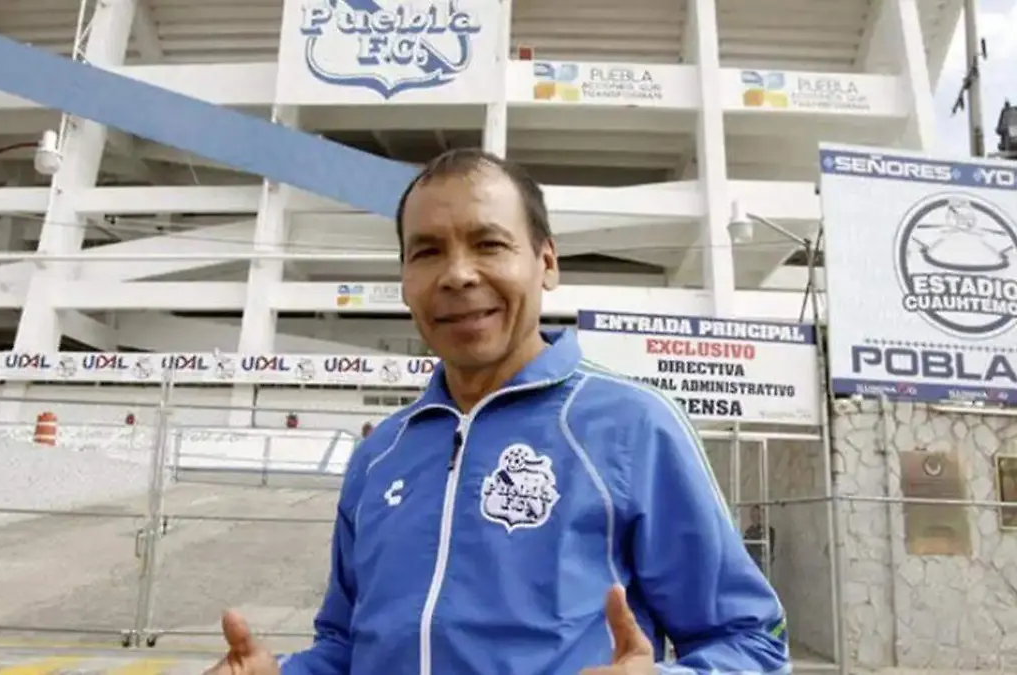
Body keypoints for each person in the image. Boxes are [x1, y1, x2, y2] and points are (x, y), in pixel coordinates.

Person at [206, 149, 790, 674]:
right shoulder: (379, 454)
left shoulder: (633, 428)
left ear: (547, 262)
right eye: (427, 252)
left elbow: (753, 644)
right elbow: (344, 645)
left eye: (489, 244)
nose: (458, 274)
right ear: (405, 279)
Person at [743, 506, 777, 575]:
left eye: (757, 514)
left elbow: (770, 549)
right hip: (752, 562)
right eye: (754, 515)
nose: (755, 517)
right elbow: (746, 548)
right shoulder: (748, 532)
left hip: (762, 560)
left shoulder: (768, 531)